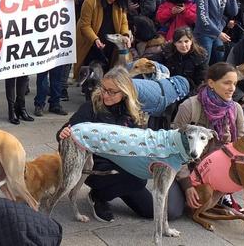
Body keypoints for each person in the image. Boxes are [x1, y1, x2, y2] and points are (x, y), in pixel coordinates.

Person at [57, 67, 184, 222]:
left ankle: (116, 189)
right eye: (103, 89)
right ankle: (98, 195)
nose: (105, 94)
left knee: (150, 210)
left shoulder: (132, 111)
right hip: (96, 166)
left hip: (126, 165)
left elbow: (140, 143)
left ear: (124, 92)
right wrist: (63, 133)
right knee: (136, 180)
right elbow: (67, 132)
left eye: (112, 91)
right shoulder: (91, 108)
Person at [172, 62, 244, 210]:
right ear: (211, 83)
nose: (232, 88)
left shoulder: (236, 109)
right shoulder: (189, 107)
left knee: (205, 206)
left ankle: (222, 192)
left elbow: (240, 146)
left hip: (216, 173)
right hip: (186, 169)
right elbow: (174, 147)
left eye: (235, 83)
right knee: (173, 211)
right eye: (227, 83)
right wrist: (186, 185)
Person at [74, 0, 131, 79]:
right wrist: (95, 39)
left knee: (107, 68)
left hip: (110, 41)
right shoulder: (91, 0)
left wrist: (125, 35)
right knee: (91, 68)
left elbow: (124, 22)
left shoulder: (120, 3)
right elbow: (85, 25)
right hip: (90, 40)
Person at [1, 0, 36, 125]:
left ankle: (21, 107)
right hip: (9, 37)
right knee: (11, 75)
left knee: (24, 74)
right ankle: (11, 109)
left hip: (26, 34)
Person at [193, 0, 238, 64]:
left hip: (217, 32)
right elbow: (203, 17)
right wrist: (218, 33)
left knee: (219, 61)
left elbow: (233, 12)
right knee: (204, 62)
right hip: (204, 33)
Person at [153, 27, 208, 93]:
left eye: (186, 41)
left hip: (188, 89)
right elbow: (154, 62)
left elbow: (200, 80)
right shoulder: (166, 52)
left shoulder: (200, 56)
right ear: (174, 43)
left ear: (191, 41)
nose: (183, 45)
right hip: (167, 86)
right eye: (179, 42)